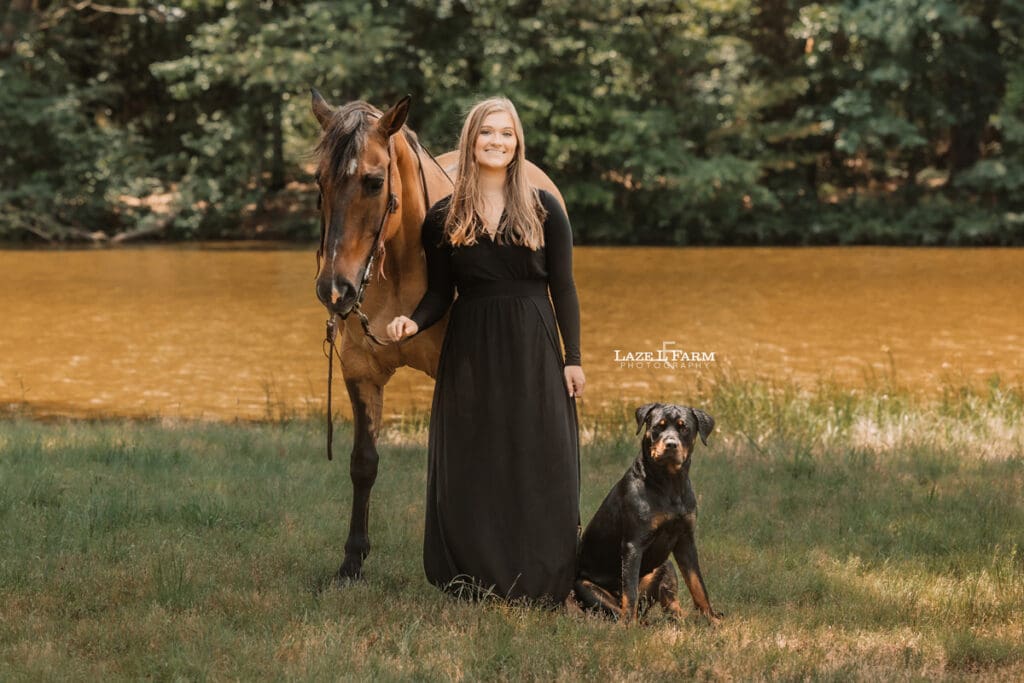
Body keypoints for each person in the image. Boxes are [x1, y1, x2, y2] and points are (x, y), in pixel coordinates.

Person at [386, 97, 585, 604]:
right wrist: (414, 321)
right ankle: (474, 576)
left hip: (534, 342)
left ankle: (541, 575)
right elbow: (440, 293)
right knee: (476, 458)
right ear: (470, 140)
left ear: (517, 143)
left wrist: (573, 359)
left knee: (537, 454)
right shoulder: (443, 216)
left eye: (506, 133)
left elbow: (563, 288)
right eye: (487, 132)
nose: (497, 141)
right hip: (471, 348)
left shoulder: (545, 208)